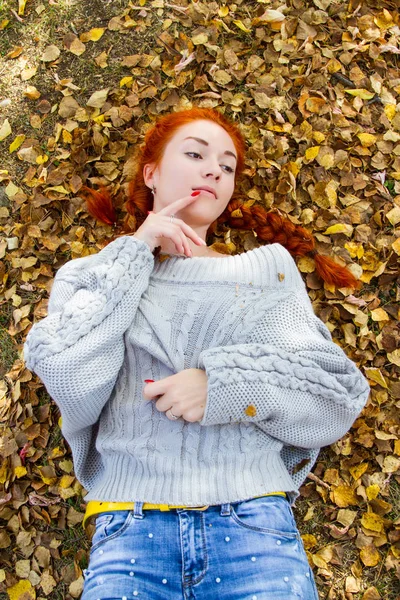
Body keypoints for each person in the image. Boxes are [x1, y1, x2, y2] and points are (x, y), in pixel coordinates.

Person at [23, 107, 371, 600]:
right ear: (152, 173)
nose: (214, 170)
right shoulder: (90, 277)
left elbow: (336, 396)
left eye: (227, 166)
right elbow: (69, 377)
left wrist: (226, 386)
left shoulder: (265, 270)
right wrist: (136, 251)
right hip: (130, 532)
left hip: (255, 528)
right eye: (195, 154)